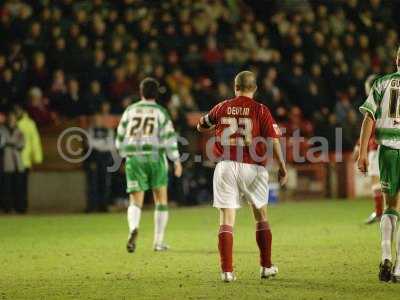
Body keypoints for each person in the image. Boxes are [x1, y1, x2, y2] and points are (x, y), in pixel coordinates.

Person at [197, 71, 288, 282]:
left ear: (235, 86)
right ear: (254, 88)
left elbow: (201, 125)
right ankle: (266, 267)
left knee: (226, 220)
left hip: (226, 166)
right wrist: (281, 166)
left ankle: (227, 271)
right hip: (253, 167)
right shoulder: (261, 109)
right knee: (261, 217)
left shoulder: (222, 106)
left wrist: (211, 126)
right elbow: (273, 140)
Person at [115, 77, 183, 252]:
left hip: (134, 159)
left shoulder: (130, 110)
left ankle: (133, 229)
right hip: (155, 158)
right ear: (156, 94)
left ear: (141, 92)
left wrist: (124, 155)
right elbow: (169, 138)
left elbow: (120, 137)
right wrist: (175, 160)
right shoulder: (160, 112)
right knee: (161, 199)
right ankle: (158, 242)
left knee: (135, 201)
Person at [357, 46, 400, 282]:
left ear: (396, 59)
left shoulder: (381, 83)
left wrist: (362, 152)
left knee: (390, 206)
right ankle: (399, 269)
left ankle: (385, 255)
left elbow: (368, 118)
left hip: (387, 151)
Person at [353, 74, 383, 224]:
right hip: (392, 145)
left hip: (376, 147)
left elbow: (369, 126)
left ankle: (379, 213)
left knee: (376, 180)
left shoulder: (373, 103)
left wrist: (359, 147)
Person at [13, 104, 43, 213]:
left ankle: (22, 207)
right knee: (11, 184)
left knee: (22, 185)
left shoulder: (29, 124)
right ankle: (11, 207)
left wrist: (37, 158)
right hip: (11, 160)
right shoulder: (11, 123)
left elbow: (35, 141)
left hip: (24, 160)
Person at [85, 112, 115, 212]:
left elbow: (111, 144)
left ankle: (104, 206)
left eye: (99, 119)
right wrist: (103, 144)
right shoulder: (90, 130)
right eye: (95, 119)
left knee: (105, 182)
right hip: (94, 157)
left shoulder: (108, 130)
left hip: (106, 158)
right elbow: (90, 143)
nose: (97, 121)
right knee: (93, 183)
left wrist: (99, 145)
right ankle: (92, 206)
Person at [0, 112, 25, 213]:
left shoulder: (19, 131)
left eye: (13, 119)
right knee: (7, 187)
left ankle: (19, 207)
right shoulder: (2, 130)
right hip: (6, 161)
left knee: (18, 186)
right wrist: (11, 144)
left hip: (17, 162)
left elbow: (22, 144)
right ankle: (7, 207)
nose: (12, 120)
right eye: (10, 118)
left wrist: (9, 144)